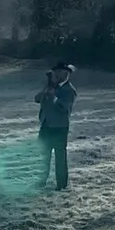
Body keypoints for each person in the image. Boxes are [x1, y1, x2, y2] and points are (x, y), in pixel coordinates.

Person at [33, 62, 78, 191]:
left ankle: (62, 185)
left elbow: (65, 109)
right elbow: (37, 99)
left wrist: (54, 98)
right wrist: (44, 92)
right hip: (46, 125)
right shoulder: (50, 86)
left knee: (60, 158)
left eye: (59, 73)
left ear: (66, 75)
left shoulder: (69, 90)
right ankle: (40, 181)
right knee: (43, 156)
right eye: (55, 73)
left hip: (59, 127)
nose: (57, 75)